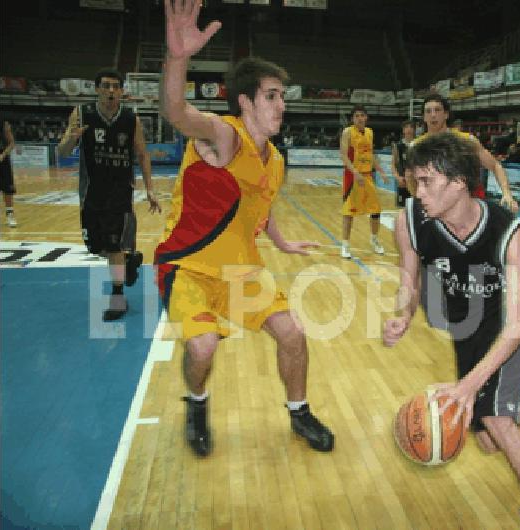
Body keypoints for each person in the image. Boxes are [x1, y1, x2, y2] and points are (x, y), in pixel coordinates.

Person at [383, 133, 520, 529]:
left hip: (504, 326)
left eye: (426, 181)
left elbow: (517, 324)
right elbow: (409, 282)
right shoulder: (410, 220)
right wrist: (403, 315)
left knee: (497, 421)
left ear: (459, 182)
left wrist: (468, 387)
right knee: (488, 439)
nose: (417, 191)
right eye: (415, 181)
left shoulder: (508, 232)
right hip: (466, 328)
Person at [156, 0, 334, 457]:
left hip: (241, 274)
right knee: (203, 349)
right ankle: (197, 402)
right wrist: (178, 58)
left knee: (293, 334)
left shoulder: (274, 161)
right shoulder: (224, 135)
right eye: (271, 95)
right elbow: (176, 111)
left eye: (282, 96)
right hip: (189, 268)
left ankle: (299, 412)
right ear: (245, 101)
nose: (281, 104)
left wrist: (281, 240)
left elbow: (261, 207)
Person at [57, 68, 161, 321]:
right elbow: (62, 152)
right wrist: (72, 139)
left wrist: (150, 189)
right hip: (92, 192)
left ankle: (117, 298)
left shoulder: (130, 118)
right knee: (98, 247)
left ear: (122, 90)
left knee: (113, 244)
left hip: (120, 192)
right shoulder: (82, 114)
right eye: (106, 86)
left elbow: (142, 154)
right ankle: (129, 259)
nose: (111, 90)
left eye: (116, 86)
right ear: (97, 89)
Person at [413, 94, 519, 213]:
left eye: (437, 110)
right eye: (428, 111)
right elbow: (410, 178)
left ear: (446, 114)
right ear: (424, 117)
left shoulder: (466, 140)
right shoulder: (416, 146)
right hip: (435, 207)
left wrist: (507, 193)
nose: (433, 115)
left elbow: (495, 165)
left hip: (467, 206)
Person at [339, 105, 388, 259]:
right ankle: (345, 245)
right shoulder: (348, 132)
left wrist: (380, 170)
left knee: (376, 210)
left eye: (362, 115)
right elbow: (343, 156)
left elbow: (371, 154)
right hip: (353, 177)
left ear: (366, 117)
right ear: (353, 119)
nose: (360, 118)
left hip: (367, 176)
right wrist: (355, 173)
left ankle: (374, 239)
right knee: (349, 213)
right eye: (357, 116)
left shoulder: (370, 132)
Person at [391, 119, 415, 207]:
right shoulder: (398, 146)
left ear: (414, 130)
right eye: (406, 127)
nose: (409, 129)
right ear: (403, 130)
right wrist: (398, 177)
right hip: (403, 182)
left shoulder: (418, 144)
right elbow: (393, 165)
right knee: (403, 210)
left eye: (411, 127)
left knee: (416, 209)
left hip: (416, 182)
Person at [0, 120, 17, 227]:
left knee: (7, 190)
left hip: (3, 161)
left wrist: (3, 154)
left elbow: (12, 143)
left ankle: (10, 215)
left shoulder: (4, 124)